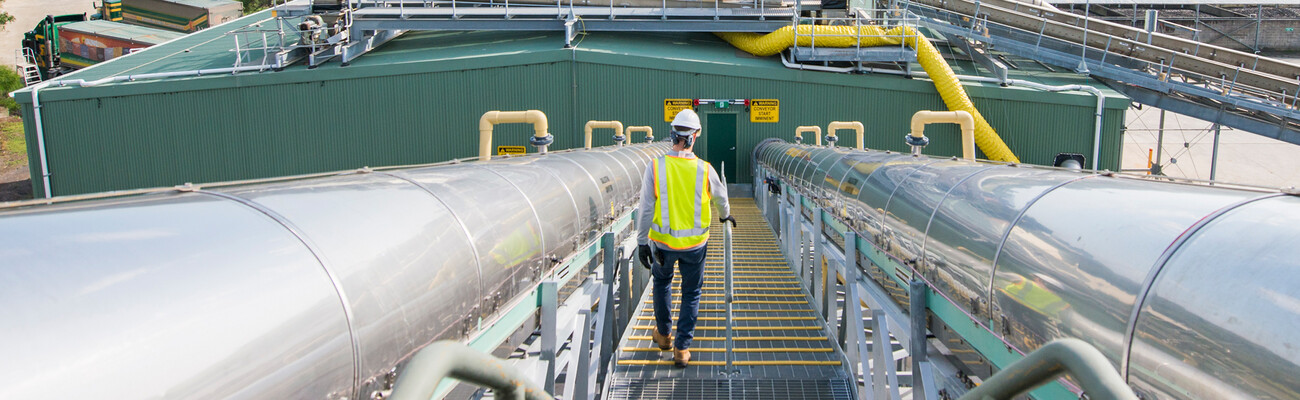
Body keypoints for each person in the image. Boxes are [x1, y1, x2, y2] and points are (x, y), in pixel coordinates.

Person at [635, 109, 735, 368]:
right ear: (695, 135)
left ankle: (664, 336)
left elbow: (645, 209)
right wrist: (725, 217)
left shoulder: (655, 167)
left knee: (662, 284)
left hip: (663, 245)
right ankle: (682, 349)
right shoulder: (705, 169)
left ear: (672, 134)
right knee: (691, 293)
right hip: (694, 246)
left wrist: (642, 242)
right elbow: (721, 198)